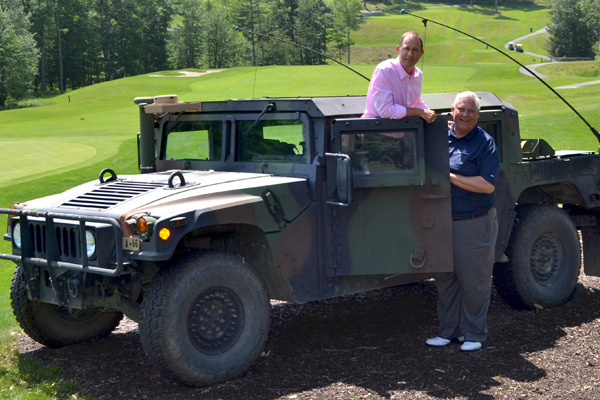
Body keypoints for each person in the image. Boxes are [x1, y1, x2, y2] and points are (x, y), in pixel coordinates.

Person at [426, 91, 500, 352]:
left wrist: (450, 176)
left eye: (471, 111)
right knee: (446, 279)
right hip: (442, 222)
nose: (465, 115)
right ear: (452, 111)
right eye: (461, 109)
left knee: (474, 281)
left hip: (474, 222)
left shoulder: (484, 143)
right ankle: (449, 332)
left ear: (478, 115)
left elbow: (487, 185)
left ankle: (474, 335)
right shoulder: (440, 136)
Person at [362, 31, 437, 124]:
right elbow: (385, 111)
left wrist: (434, 118)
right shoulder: (385, 70)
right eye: (407, 49)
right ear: (398, 49)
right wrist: (419, 112)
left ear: (421, 54)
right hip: (374, 131)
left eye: (415, 50)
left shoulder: (418, 74)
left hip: (401, 132)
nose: (410, 54)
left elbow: (415, 103)